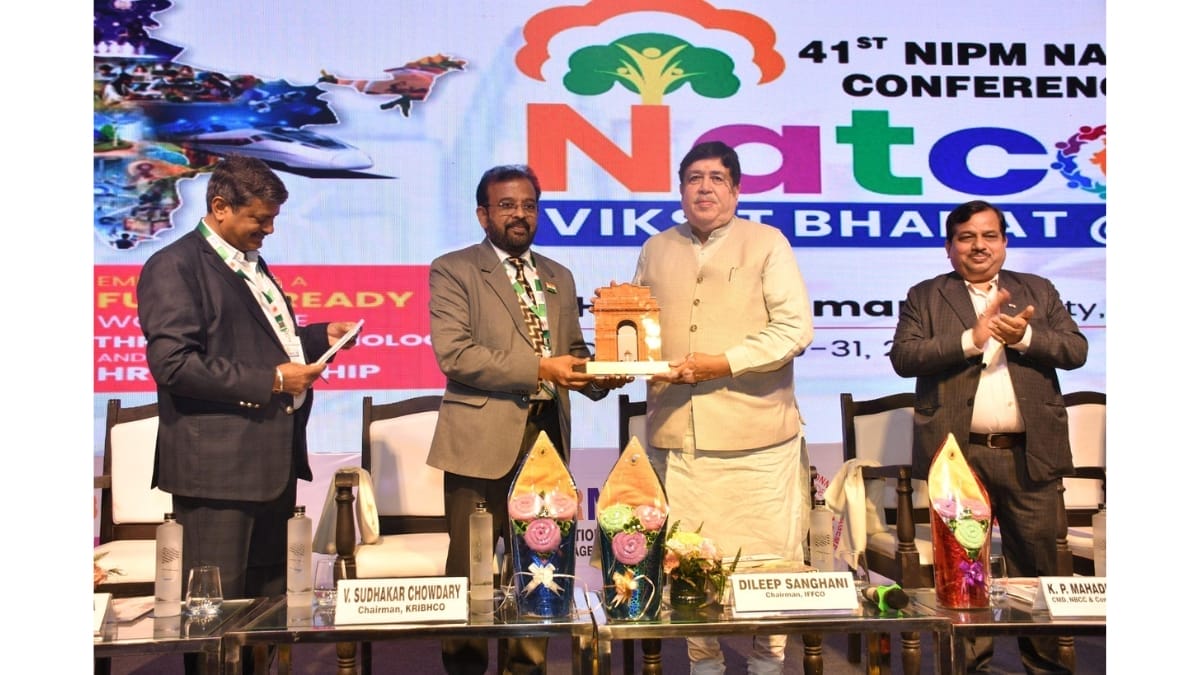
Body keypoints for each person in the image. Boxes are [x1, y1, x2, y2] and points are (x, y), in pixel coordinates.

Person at [426, 164, 628, 675]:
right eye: (507, 206)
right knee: (472, 568)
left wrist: (604, 373)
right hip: (479, 443)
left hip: (547, 439)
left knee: (543, 562)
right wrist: (540, 367)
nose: (519, 215)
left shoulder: (558, 274)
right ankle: (465, 668)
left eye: (529, 205)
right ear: (483, 214)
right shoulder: (453, 269)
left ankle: (526, 668)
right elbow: (456, 355)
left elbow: (573, 354)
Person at [137, 154, 358, 616]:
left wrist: (320, 338)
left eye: (273, 218)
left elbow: (256, 342)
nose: (270, 229)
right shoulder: (174, 266)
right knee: (213, 615)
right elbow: (173, 365)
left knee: (267, 610)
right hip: (217, 475)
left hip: (270, 466)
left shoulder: (250, 263)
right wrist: (274, 379)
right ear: (220, 207)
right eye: (260, 219)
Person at [632, 140, 814, 675]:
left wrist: (724, 363)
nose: (704, 188)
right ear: (680, 189)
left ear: (736, 190)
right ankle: (705, 662)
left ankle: (767, 662)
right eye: (694, 178)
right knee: (688, 563)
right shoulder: (656, 247)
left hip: (759, 440)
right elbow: (636, 328)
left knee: (769, 566)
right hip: (678, 438)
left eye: (716, 178)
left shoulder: (767, 242)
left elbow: (794, 330)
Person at [889, 199, 1088, 674]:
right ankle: (969, 667)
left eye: (989, 235)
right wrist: (971, 339)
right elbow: (905, 358)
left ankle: (1044, 666)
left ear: (1004, 242)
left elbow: (1075, 350)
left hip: (1029, 455)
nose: (979, 246)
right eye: (966, 237)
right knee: (964, 573)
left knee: (1037, 571)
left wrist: (1024, 338)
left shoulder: (1037, 289)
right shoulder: (926, 295)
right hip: (959, 459)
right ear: (949, 247)